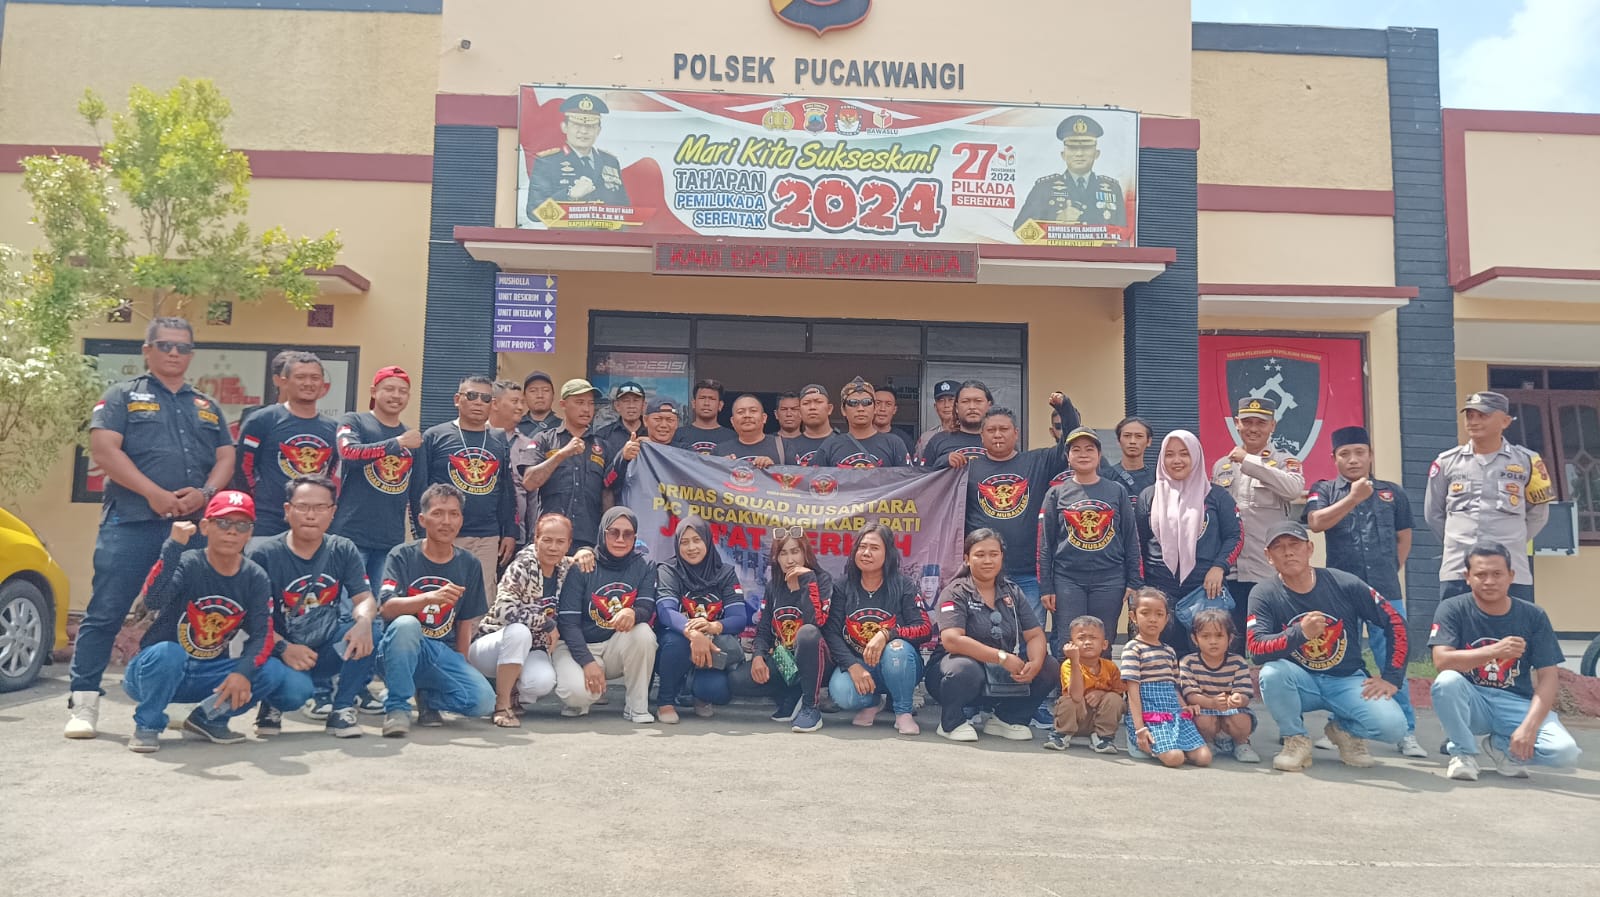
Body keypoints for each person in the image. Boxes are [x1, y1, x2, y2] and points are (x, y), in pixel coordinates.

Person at [67, 317, 235, 740]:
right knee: (107, 610)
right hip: (132, 522)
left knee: (194, 613)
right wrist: (153, 493)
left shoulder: (206, 404)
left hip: (192, 526)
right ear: (147, 350)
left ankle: (178, 703)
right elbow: (104, 450)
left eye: (183, 347)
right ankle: (83, 702)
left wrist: (206, 492)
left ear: (191, 353)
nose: (174, 353)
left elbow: (225, 457)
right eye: (165, 345)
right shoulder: (121, 396)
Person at [121, 491, 304, 752]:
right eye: (223, 523)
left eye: (242, 525)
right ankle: (147, 725)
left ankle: (208, 719)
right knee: (169, 653)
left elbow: (262, 634)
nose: (232, 531)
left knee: (270, 671)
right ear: (205, 527)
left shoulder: (255, 577)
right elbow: (154, 599)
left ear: (250, 533)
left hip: (207, 673)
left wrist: (242, 673)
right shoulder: (188, 563)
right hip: (154, 672)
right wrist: (172, 547)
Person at [1304, 425, 1426, 759]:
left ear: (1371, 455)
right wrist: (1352, 498)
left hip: (1386, 589)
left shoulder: (1392, 492)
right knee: (1343, 659)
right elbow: (1315, 522)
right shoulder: (1324, 489)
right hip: (1341, 591)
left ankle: (1406, 731)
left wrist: (1390, 569)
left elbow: (1404, 537)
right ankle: (1341, 725)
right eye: (1345, 454)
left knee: (1393, 658)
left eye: (1360, 452)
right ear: (1334, 458)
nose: (1353, 459)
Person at [1248, 521, 1409, 772]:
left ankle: (1344, 731)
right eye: (1279, 547)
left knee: (1394, 728)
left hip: (1346, 679)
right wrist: (1300, 633)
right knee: (1271, 673)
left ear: (1310, 549)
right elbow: (1256, 649)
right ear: (1269, 556)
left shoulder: (1344, 583)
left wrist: (1392, 677)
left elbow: (1396, 622)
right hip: (1299, 682)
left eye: (1295, 544)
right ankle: (1295, 739)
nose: (1288, 552)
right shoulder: (1264, 593)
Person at [1430, 541, 1581, 781]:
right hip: (1472, 700)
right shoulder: (1452, 608)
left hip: (1515, 702)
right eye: (1481, 574)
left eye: (1497, 574)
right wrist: (1495, 650)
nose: (1489, 581)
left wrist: (1529, 727)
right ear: (1467, 577)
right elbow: (1442, 661)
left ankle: (1501, 747)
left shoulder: (1533, 615)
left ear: (1511, 576)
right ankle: (1463, 753)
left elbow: (1549, 677)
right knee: (1447, 681)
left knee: (1564, 752)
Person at [246, 474, 380, 737]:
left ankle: (342, 709)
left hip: (326, 647)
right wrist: (284, 648)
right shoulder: (264, 554)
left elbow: (364, 598)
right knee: (296, 693)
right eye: (303, 507)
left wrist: (364, 621)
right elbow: (251, 619)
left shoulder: (342, 549)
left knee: (371, 629)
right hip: (281, 651)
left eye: (320, 508)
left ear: (332, 512)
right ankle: (272, 703)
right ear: (288, 510)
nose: (311, 515)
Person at [377, 484, 496, 736]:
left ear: (461, 520)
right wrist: (429, 597)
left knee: (483, 701)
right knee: (406, 624)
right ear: (422, 519)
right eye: (438, 513)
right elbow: (386, 608)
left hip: (440, 652)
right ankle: (397, 708)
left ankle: (429, 698)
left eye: (454, 514)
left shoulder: (469, 563)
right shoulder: (402, 555)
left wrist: (462, 663)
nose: (446, 521)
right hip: (399, 649)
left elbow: (465, 620)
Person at [939, 403, 1069, 626]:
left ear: (1016, 433)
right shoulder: (967, 469)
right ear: (982, 436)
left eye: (1004, 429)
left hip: (1028, 572)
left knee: (1030, 634)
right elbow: (930, 483)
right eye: (991, 430)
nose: (997, 434)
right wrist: (944, 461)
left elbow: (1071, 443)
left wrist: (1065, 408)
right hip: (982, 573)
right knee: (985, 635)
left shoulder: (1037, 461)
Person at [926, 529, 1057, 742]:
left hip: (1000, 674)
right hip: (954, 673)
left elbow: (1034, 634)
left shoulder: (1012, 591)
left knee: (1048, 666)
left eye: (994, 554)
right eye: (980, 555)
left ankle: (1008, 719)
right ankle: (951, 722)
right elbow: (952, 640)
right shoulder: (955, 591)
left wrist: (1034, 663)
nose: (988, 560)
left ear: (1002, 557)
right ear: (967, 559)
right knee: (964, 669)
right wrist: (1001, 657)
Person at [1424, 391, 1552, 602]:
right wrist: (1456, 542)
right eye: (1469, 416)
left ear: (1505, 421)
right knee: (1456, 622)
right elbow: (1433, 514)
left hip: (1511, 570)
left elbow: (1538, 515)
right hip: (1459, 569)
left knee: (1514, 623)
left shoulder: (1528, 462)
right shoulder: (1446, 462)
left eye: (1483, 415)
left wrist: (1511, 542)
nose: (1473, 422)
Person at [468, 513, 593, 727]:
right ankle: (502, 705)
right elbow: (503, 610)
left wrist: (586, 551)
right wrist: (546, 623)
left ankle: (514, 691)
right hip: (493, 645)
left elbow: (583, 559)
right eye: (547, 540)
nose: (553, 547)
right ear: (536, 539)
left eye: (560, 542)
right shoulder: (522, 566)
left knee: (542, 681)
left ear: (568, 544)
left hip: (533, 648)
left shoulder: (565, 568)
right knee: (519, 632)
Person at [1134, 430, 1242, 656]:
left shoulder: (1216, 496)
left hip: (1204, 591)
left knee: (1206, 656)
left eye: (1184, 454)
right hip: (1160, 591)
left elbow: (1236, 535)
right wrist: (1140, 588)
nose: (1177, 460)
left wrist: (1219, 567)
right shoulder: (1149, 496)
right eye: (1169, 454)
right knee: (1160, 657)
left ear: (1196, 456)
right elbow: (1137, 544)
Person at [818, 523, 931, 734]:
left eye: (874, 548)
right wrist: (852, 665)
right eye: (862, 547)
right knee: (842, 693)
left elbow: (924, 628)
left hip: (899, 664)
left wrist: (888, 634)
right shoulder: (842, 586)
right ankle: (872, 703)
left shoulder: (904, 585)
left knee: (897, 649)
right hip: (861, 663)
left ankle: (902, 712)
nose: (866, 553)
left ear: (888, 553)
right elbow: (831, 633)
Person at [1037, 427, 1141, 655]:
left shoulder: (1117, 491)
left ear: (1099, 454)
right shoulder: (1055, 494)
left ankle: (1103, 680)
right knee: (1069, 643)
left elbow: (1131, 539)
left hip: (1110, 579)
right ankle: (1067, 680)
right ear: (1068, 456)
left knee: (1102, 642)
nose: (1083, 454)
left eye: (1089, 449)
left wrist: (1134, 581)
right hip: (1067, 580)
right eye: (1076, 449)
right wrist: (1046, 587)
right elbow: (1045, 546)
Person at [1213, 396, 1305, 650]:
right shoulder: (1222, 466)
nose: (1253, 428)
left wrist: (1249, 461)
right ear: (1237, 423)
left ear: (1273, 425)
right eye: (1247, 422)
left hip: (1267, 573)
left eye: (1261, 423)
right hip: (1231, 571)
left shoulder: (1285, 462)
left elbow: (1293, 489)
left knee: (1271, 643)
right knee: (1231, 645)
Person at [554, 506, 659, 722]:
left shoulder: (644, 566)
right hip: (579, 646)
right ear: (603, 533)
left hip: (613, 647)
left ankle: (637, 707)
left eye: (627, 534)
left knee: (643, 633)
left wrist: (633, 612)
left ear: (635, 537)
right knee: (576, 694)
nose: (620, 539)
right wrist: (587, 662)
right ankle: (581, 699)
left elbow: (646, 607)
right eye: (613, 532)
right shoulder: (584, 564)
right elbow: (568, 623)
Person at [415, 375, 516, 592]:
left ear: (493, 404)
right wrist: (421, 532)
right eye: (471, 396)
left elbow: (506, 490)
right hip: (444, 532)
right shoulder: (435, 435)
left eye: (485, 398)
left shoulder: (499, 440)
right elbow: (419, 488)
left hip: (487, 536)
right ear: (457, 399)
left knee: (482, 597)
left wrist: (509, 531)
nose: (478, 402)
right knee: (441, 594)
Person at [332, 365, 420, 602]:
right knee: (349, 610)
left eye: (402, 391)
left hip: (390, 540)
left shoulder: (410, 437)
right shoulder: (355, 421)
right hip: (350, 536)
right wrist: (397, 443)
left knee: (383, 608)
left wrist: (420, 537)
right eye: (389, 389)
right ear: (373, 391)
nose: (396, 396)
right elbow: (348, 452)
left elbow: (417, 492)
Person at [730, 527, 833, 727]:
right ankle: (790, 693)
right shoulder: (773, 586)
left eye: (795, 552)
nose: (790, 560)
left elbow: (815, 623)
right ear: (776, 558)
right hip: (784, 660)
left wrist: (807, 583)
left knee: (807, 634)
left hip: (818, 662)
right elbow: (763, 628)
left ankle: (810, 707)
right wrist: (758, 656)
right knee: (737, 680)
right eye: (783, 553)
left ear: (805, 553)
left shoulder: (822, 580)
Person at [653, 516, 751, 723]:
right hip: (676, 644)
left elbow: (739, 618)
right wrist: (693, 633)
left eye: (697, 540)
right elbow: (666, 611)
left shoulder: (725, 573)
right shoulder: (669, 570)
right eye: (684, 542)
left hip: (712, 648)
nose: (691, 548)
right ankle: (666, 701)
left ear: (707, 540)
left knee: (717, 691)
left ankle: (692, 690)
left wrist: (714, 626)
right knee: (676, 641)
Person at [236, 351, 339, 538]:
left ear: (323, 384)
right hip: (266, 520)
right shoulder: (261, 420)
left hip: (312, 522)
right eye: (300, 377)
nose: (308, 383)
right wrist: (258, 499)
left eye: (315, 378)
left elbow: (329, 472)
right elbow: (243, 468)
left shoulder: (333, 428)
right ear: (284, 382)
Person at [1121, 588, 1210, 768]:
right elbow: (1132, 692)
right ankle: (1141, 744)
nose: (1153, 619)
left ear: (1166, 618)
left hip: (1173, 711)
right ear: (1133, 616)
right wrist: (1140, 728)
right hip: (1148, 714)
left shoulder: (1169, 651)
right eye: (1145, 613)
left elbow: (1173, 686)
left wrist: (1184, 707)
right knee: (1175, 758)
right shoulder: (1133, 649)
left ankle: (1172, 745)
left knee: (1204, 757)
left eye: (1159, 614)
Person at [522, 378, 609, 552]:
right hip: (550, 537)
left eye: (591, 403)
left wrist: (606, 534)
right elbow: (529, 482)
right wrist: (561, 454)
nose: (586, 409)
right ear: (563, 404)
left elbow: (607, 493)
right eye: (580, 402)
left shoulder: (602, 446)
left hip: (588, 539)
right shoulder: (545, 439)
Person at [1013, 113, 1126, 232]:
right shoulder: (1044, 188)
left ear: (1097, 154)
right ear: (1063, 155)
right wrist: (1055, 220)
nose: (1079, 154)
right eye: (1072, 148)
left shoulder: (1112, 189)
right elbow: (1020, 229)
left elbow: (1123, 234)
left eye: (1086, 148)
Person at [525, 92, 629, 216]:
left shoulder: (610, 161)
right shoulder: (547, 162)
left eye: (590, 126)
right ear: (564, 127)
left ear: (598, 130)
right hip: (565, 229)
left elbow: (624, 208)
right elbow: (534, 213)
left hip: (604, 228)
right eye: (577, 125)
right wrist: (569, 195)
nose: (583, 131)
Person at [1178, 609, 1260, 763]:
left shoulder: (1238, 662)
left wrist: (1238, 699)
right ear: (1195, 639)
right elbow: (1191, 695)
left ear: (1230, 638)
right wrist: (1212, 703)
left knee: (1242, 719)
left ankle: (1241, 744)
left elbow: (1245, 694)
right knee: (1201, 719)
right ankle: (1208, 743)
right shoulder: (1188, 662)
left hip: (1231, 711)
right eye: (1205, 636)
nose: (1213, 641)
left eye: (1219, 635)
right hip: (1205, 711)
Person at [1044, 614, 1125, 753]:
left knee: (1114, 699)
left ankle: (1102, 738)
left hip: (1098, 719)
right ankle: (1062, 734)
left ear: (1104, 644)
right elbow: (1075, 696)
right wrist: (1075, 661)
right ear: (1071, 644)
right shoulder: (1068, 665)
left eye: (1093, 638)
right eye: (1081, 638)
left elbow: (1119, 694)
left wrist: (1102, 694)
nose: (1087, 642)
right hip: (1074, 717)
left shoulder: (1110, 667)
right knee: (1068, 700)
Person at [814, 378, 910, 468]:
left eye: (866, 402)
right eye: (853, 403)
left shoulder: (894, 444)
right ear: (843, 410)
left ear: (875, 408)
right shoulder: (830, 446)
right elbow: (813, 477)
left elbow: (908, 478)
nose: (860, 408)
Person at [605, 397, 680, 491]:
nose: (663, 425)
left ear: (677, 423)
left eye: (670, 420)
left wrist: (658, 448)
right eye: (657, 419)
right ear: (645, 420)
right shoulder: (634, 451)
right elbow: (607, 483)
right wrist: (623, 458)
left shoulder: (686, 453)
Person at [919, 380, 991, 466]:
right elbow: (924, 473)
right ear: (956, 407)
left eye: (978, 401)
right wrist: (943, 461)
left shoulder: (999, 439)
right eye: (965, 401)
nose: (972, 407)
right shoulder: (937, 441)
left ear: (989, 406)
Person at [714, 394, 784, 468]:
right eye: (740, 412)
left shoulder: (783, 447)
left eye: (753, 411)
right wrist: (722, 468)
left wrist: (773, 468)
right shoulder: (719, 452)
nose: (747, 415)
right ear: (732, 421)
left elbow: (792, 473)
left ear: (764, 418)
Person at [593, 380, 647, 474]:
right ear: (617, 406)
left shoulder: (653, 434)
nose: (631, 406)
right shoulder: (603, 436)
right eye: (626, 401)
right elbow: (598, 474)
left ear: (643, 405)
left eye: (636, 401)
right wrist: (622, 457)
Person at [676, 378, 735, 453]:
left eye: (712, 399)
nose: (706, 403)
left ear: (720, 405)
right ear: (694, 403)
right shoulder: (678, 435)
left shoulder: (732, 437)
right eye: (702, 398)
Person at [787, 383, 836, 466]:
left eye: (818, 402)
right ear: (799, 412)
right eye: (806, 403)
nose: (812, 407)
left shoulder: (844, 443)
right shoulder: (788, 447)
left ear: (829, 409)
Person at [1112, 416, 1156, 499]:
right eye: (1127, 436)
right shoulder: (1105, 476)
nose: (1132, 441)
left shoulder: (1157, 478)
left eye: (1139, 436)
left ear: (1149, 441)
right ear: (1118, 440)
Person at [915, 379, 959, 459]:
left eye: (951, 400)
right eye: (941, 400)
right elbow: (919, 465)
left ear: (959, 405)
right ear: (935, 407)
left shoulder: (970, 433)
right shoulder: (926, 437)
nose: (946, 405)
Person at [516, 370, 562, 438]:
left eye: (546, 390)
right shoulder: (514, 426)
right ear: (524, 396)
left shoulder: (563, 427)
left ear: (553, 395)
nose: (540, 395)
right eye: (533, 391)